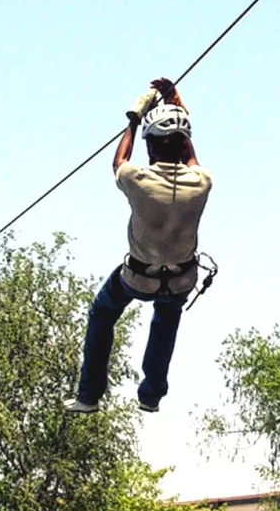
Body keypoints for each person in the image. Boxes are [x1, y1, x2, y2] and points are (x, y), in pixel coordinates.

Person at [68, 78, 213, 413]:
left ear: (150, 146)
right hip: (180, 279)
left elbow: (119, 159)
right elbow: (189, 153)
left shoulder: (137, 180)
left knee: (102, 313)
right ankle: (150, 396)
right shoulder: (202, 184)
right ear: (182, 144)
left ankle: (89, 396)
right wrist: (175, 103)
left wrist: (134, 119)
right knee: (167, 318)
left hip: (138, 277)